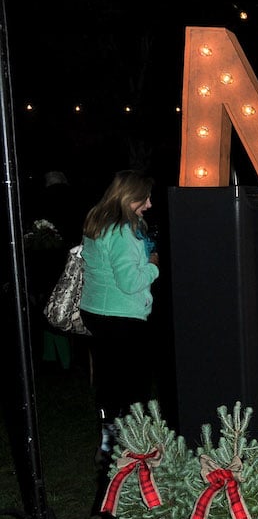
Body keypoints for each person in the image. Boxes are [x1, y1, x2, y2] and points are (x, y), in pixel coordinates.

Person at [78, 170, 161, 464]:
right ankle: (131, 445)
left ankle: (109, 439)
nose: (149, 203)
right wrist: (153, 265)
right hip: (121, 315)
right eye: (145, 197)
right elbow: (129, 281)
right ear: (129, 196)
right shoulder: (123, 230)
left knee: (109, 380)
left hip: (97, 312)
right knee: (133, 384)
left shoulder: (97, 219)